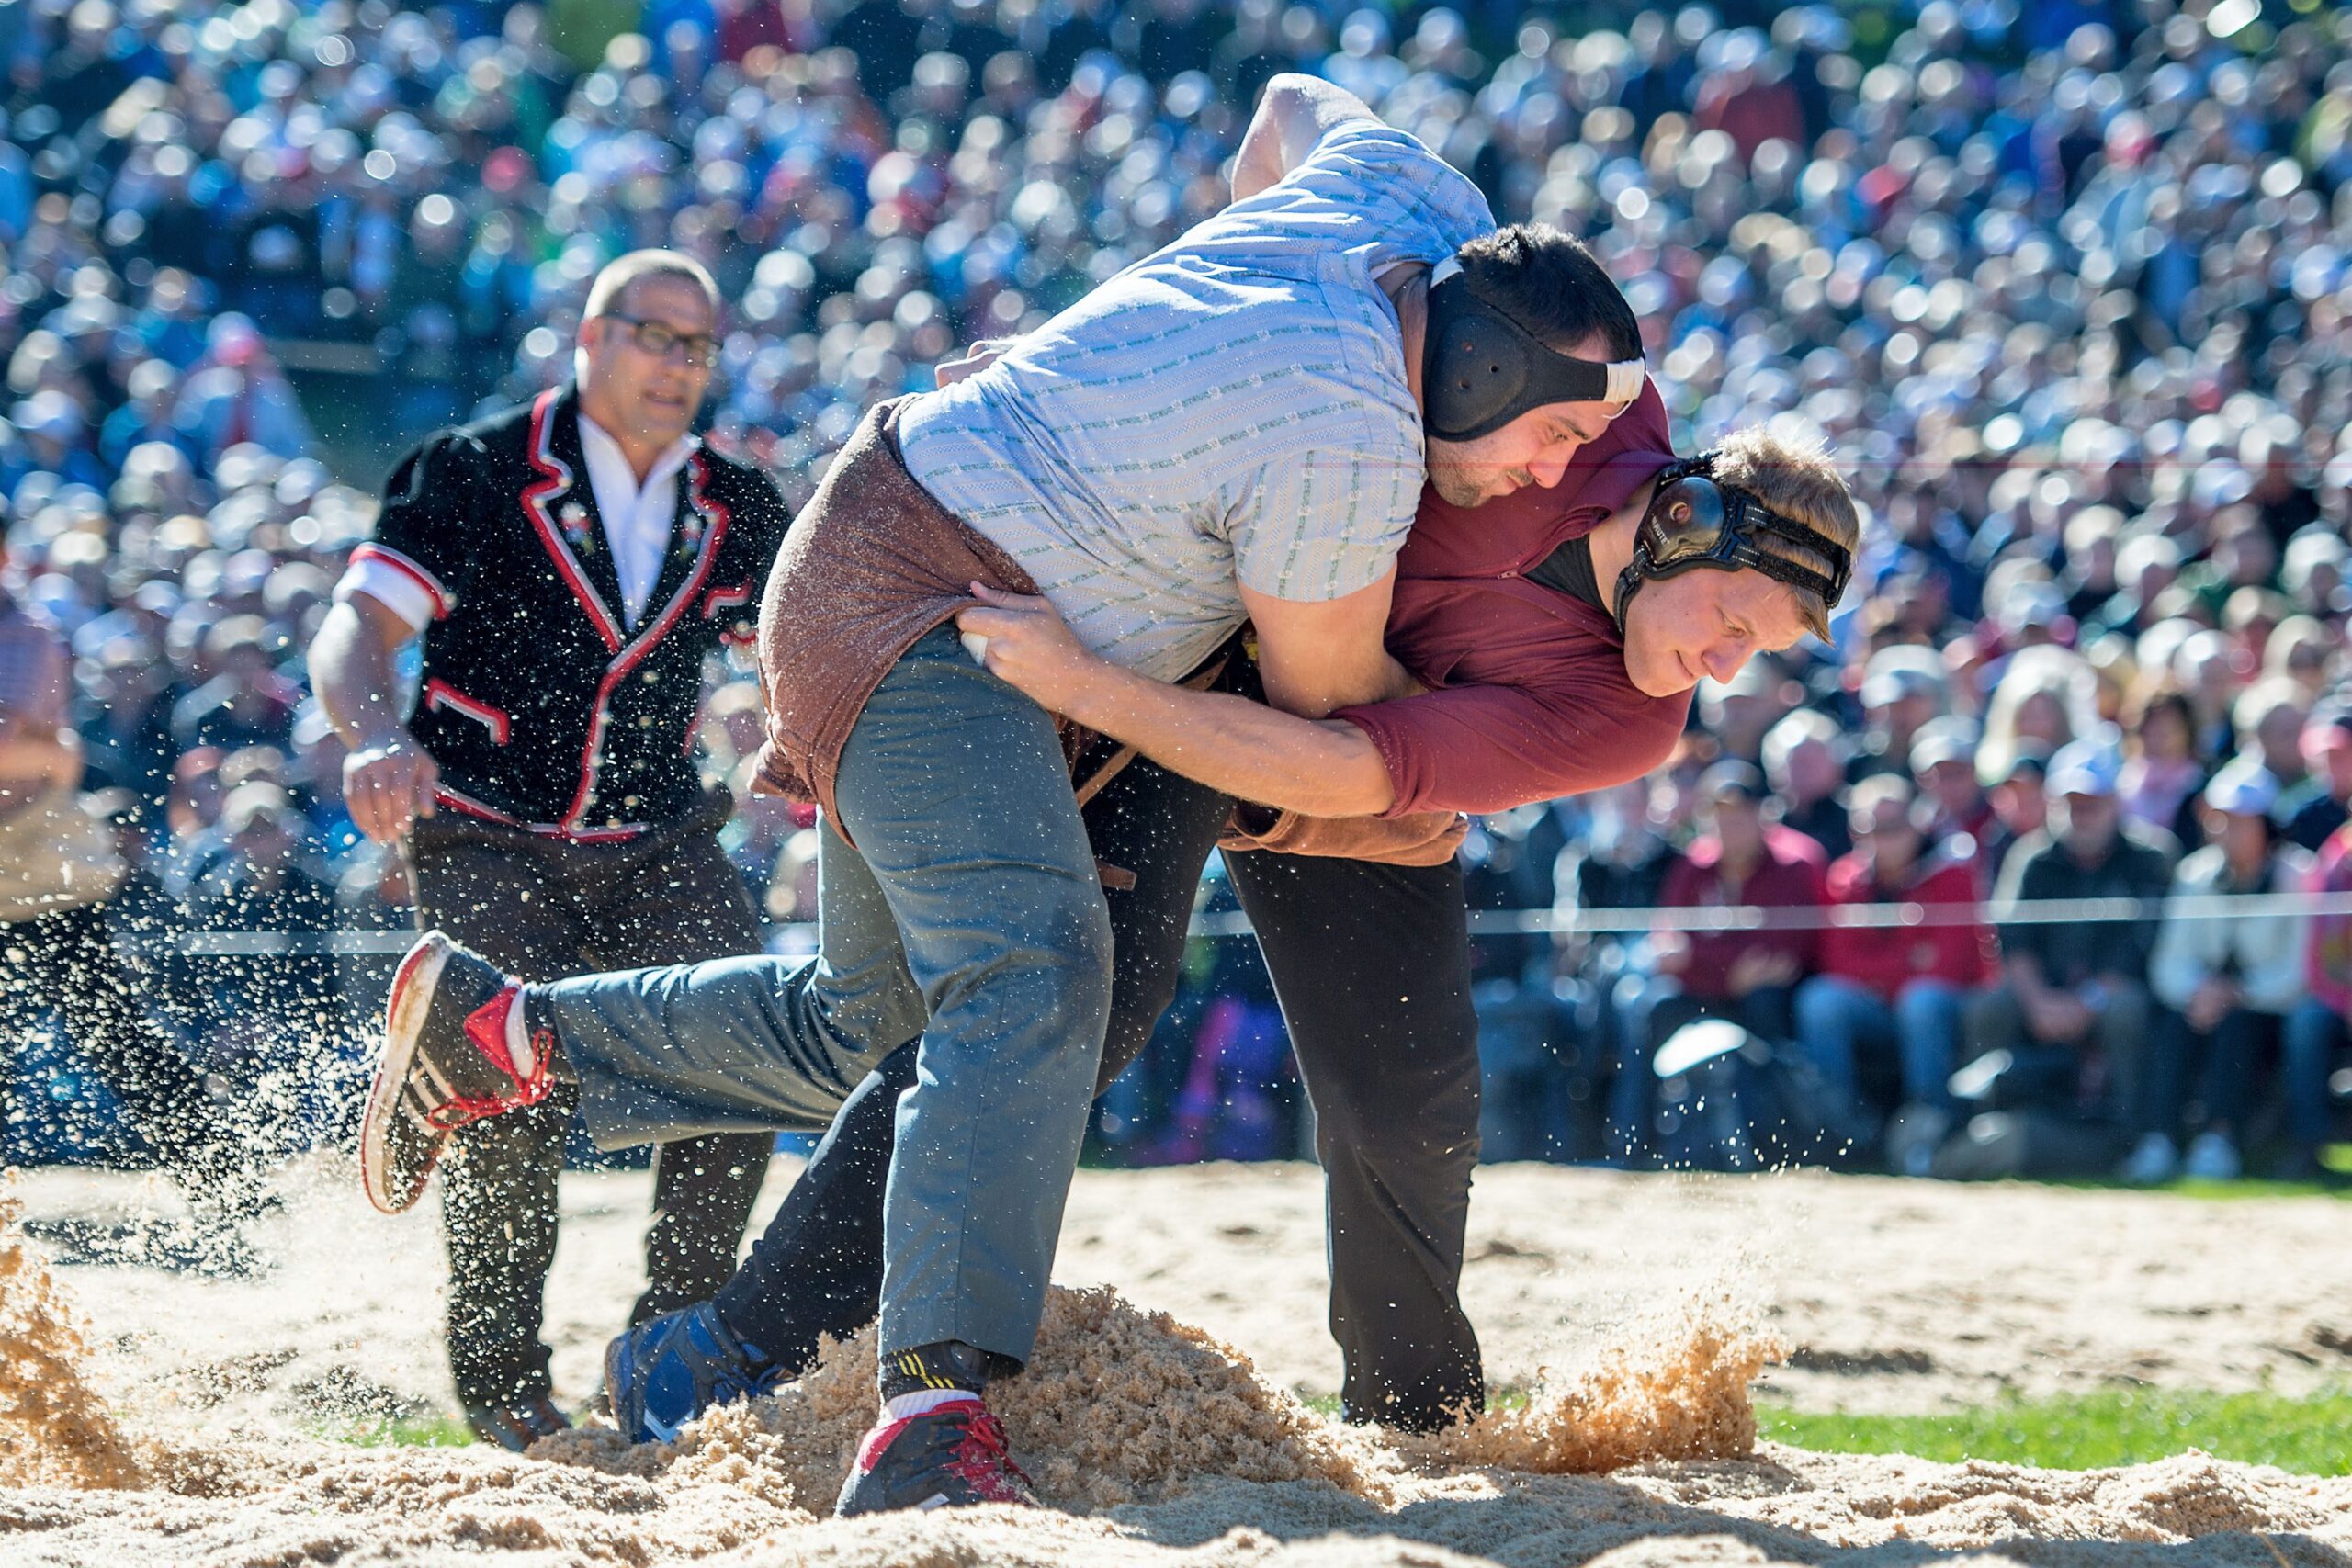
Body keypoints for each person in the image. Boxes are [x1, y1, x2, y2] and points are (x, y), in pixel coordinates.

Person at [360, 79, 1851, 1513]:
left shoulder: (1441, 301)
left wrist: (1113, 405)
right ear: (1676, 509)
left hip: (1129, 652)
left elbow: (1335, 737)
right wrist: (1121, 405)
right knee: (1053, 994)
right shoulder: (1396, 414)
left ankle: (517, 1034)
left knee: (956, 1031)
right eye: (1736, 622)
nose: (1557, 465)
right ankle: (886, 1395)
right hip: (1072, 629)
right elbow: (1324, 701)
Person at [308, 250, 794, 1450]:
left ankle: (672, 1352)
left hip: (662, 829)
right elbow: (355, 628)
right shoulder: (470, 470)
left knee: (738, 1056)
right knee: (499, 1097)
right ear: (589, 336)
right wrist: (372, 734)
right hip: (481, 829)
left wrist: (801, 735)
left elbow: (794, 649)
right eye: (656, 335)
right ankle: (506, 1388)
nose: (680, 364)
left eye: (700, 345)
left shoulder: (738, 498)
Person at [0, 534, 234, 1192]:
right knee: (112, 1030)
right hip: (28, 857)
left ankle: (223, 1180)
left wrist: (48, 754)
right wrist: (51, 754)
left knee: (112, 1033)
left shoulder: (20, 631)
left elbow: (7, 740)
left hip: (35, 869)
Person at [1608, 761, 1826, 1163]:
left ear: (1763, 814)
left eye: (1740, 814)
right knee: (1647, 1003)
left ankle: (1780, 1138)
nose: (1730, 825)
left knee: (1767, 1001)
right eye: (1720, 815)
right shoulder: (1695, 865)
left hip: (1768, 998)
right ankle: (1633, 1143)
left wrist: (1701, 961)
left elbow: (1785, 952)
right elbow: (1670, 943)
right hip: (1707, 990)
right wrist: (1725, 969)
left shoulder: (1795, 865)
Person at [1966, 738, 2177, 1132]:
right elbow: (2012, 939)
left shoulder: (2151, 857)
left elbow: (2142, 946)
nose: (2081, 814)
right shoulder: (2030, 858)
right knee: (1991, 1006)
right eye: (2071, 803)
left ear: (2114, 801)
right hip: (2045, 995)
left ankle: (2134, 1133)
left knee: (2126, 1011)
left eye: (2091, 803)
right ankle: (1981, 1121)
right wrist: (2039, 1001)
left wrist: (2086, 1003)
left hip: (2114, 996)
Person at [2128, 758, 2322, 1184]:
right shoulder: (2195, 874)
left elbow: (2301, 972)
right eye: (2221, 820)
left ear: (2267, 826)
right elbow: (2171, 962)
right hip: (2206, 1005)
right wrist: (2202, 993)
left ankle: (2220, 1138)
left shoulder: (2299, 876)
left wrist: (2238, 993)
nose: (2227, 831)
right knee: (2173, 1024)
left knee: (2236, 1026)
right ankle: (2159, 1137)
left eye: (2241, 821)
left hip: (2270, 1013)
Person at [1793, 773, 1996, 1175]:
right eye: (1872, 830)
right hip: (1879, 1008)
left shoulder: (1952, 871)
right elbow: (1837, 963)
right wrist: (1908, 960)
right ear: (1855, 832)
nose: (1883, 840)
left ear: (1916, 824)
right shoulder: (1845, 877)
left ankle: (1929, 1130)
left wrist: (1886, 969)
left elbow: (1953, 964)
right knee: (1821, 999)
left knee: (1921, 1001)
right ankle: (1839, 1127)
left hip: (1944, 1009)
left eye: (1894, 828)